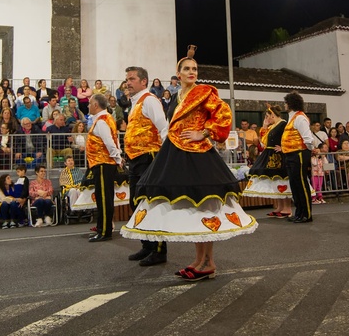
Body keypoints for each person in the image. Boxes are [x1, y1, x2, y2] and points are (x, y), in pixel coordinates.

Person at [121, 47, 256, 281]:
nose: (192, 71)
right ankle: (199, 260)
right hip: (179, 155)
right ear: (178, 73)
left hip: (198, 156)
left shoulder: (203, 92)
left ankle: (208, 262)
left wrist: (204, 133)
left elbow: (223, 115)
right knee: (194, 209)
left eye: (194, 69)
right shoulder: (177, 97)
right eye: (187, 69)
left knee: (204, 205)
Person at [122, 66, 169, 266]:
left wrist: (165, 158)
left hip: (149, 158)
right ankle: (147, 244)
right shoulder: (135, 103)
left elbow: (163, 128)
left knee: (151, 203)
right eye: (127, 79)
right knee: (136, 202)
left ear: (144, 82)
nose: (127, 82)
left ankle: (159, 250)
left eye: (132, 79)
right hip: (136, 159)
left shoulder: (149, 100)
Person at [244, 104, 293, 216]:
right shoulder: (272, 126)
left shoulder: (283, 124)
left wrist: (283, 148)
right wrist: (264, 126)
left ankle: (287, 208)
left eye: (267, 116)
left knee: (283, 180)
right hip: (270, 155)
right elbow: (264, 142)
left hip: (280, 156)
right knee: (275, 181)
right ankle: (280, 206)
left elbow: (290, 137)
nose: (266, 119)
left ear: (272, 115)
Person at [86, 93, 122, 242]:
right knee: (104, 197)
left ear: (96, 105)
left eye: (89, 103)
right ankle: (102, 228)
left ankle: (105, 231)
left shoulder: (101, 121)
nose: (88, 106)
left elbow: (109, 142)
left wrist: (118, 158)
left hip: (103, 163)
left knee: (104, 198)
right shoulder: (106, 118)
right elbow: (114, 139)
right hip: (103, 163)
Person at [281, 91, 318, 223]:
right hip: (291, 154)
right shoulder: (292, 117)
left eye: (286, 102)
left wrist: (311, 149)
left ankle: (306, 214)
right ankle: (299, 212)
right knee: (294, 184)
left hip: (299, 154)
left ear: (290, 103)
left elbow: (308, 138)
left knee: (301, 184)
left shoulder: (300, 118)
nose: (284, 105)